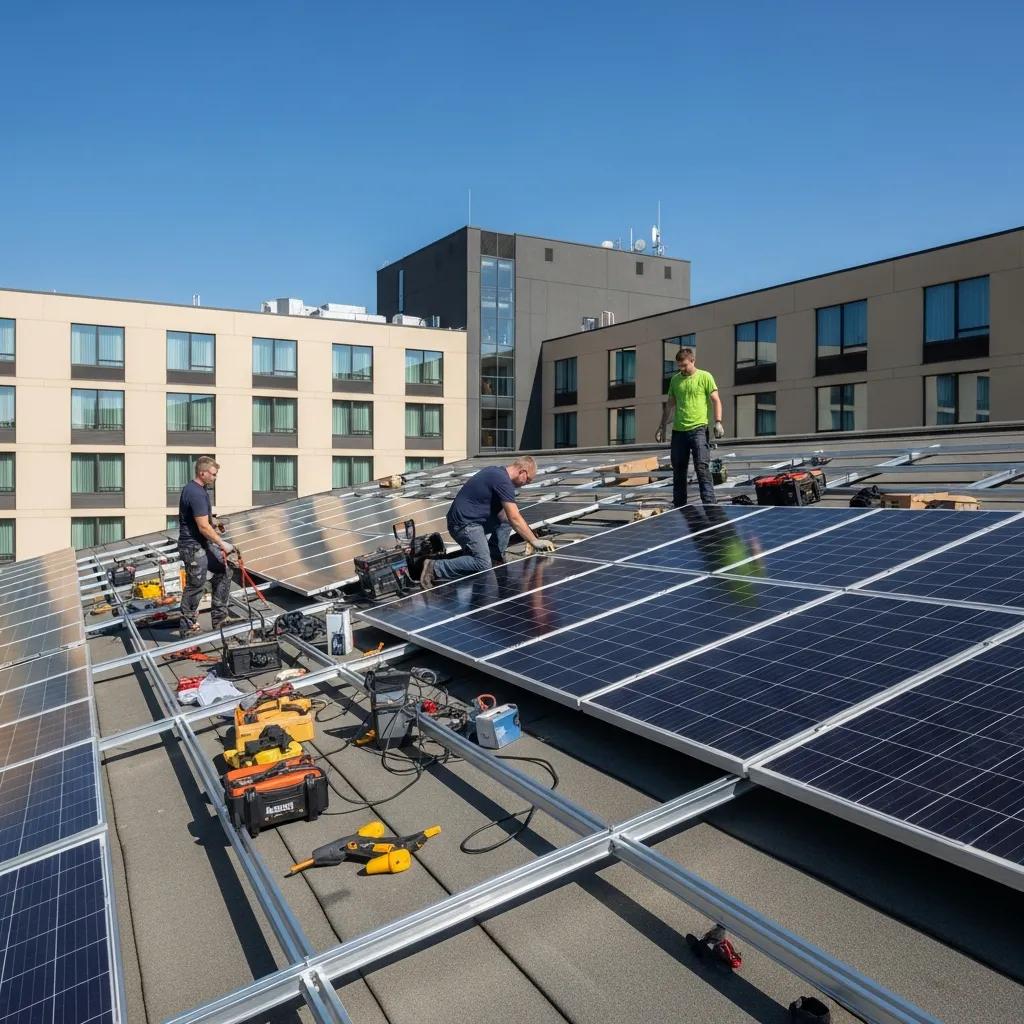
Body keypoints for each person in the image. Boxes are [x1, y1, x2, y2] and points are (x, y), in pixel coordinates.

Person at [421, 456, 556, 587]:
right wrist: (534, 541)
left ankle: (495, 557)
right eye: (527, 480)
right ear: (522, 472)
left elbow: (510, 516)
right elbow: (515, 518)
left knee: (505, 517)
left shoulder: (497, 473)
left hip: (471, 521)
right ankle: (434, 567)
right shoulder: (503, 481)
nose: (525, 484)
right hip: (464, 524)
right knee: (482, 563)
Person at [177, 456, 238, 637]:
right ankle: (187, 627)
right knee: (196, 584)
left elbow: (203, 521)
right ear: (202, 473)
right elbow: (202, 527)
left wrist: (214, 523)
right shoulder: (195, 493)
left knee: (225, 570)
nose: (214, 477)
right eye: (212, 474)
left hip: (201, 544)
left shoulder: (198, 490)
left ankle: (220, 618)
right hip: (193, 546)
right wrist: (222, 543)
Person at [656, 347, 723, 507]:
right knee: (678, 470)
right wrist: (661, 427)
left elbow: (716, 400)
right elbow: (670, 405)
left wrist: (718, 422)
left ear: (693, 361)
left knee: (701, 467)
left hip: (698, 429)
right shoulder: (675, 380)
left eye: (684, 365)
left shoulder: (705, 377)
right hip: (679, 432)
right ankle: (679, 507)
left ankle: (710, 505)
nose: (682, 369)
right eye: (679, 366)